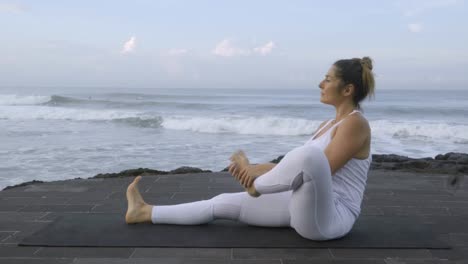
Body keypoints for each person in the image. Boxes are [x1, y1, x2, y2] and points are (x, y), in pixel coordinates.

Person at [125, 57, 375, 241]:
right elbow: (295, 172)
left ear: (348, 89)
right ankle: (144, 211)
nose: (320, 83)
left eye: (328, 79)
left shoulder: (356, 123)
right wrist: (253, 169)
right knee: (221, 202)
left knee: (307, 155)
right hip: (301, 206)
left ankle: (258, 188)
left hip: (331, 217)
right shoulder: (327, 125)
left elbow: (322, 168)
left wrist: (257, 179)